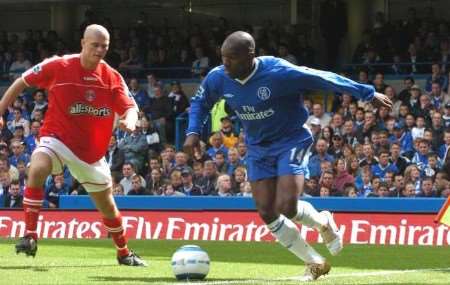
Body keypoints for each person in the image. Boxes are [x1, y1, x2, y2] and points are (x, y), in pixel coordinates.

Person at [184, 31, 393, 281]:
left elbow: (323, 78)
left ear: (249, 56)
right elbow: (200, 103)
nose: (225, 63)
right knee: (266, 210)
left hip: (291, 138)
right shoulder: (219, 77)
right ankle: (314, 262)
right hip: (258, 146)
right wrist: (193, 132)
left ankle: (323, 221)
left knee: (286, 205)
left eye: (231, 58)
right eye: (223, 58)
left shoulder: (278, 72)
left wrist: (367, 93)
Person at [0, 24, 146, 266]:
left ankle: (124, 252)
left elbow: (130, 107)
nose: (99, 50)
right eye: (95, 45)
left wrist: (130, 121)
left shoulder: (111, 76)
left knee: (108, 207)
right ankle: (30, 235)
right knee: (36, 168)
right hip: (56, 138)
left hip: (91, 153)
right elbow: (21, 82)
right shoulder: (59, 65)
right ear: (82, 43)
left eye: (104, 47)